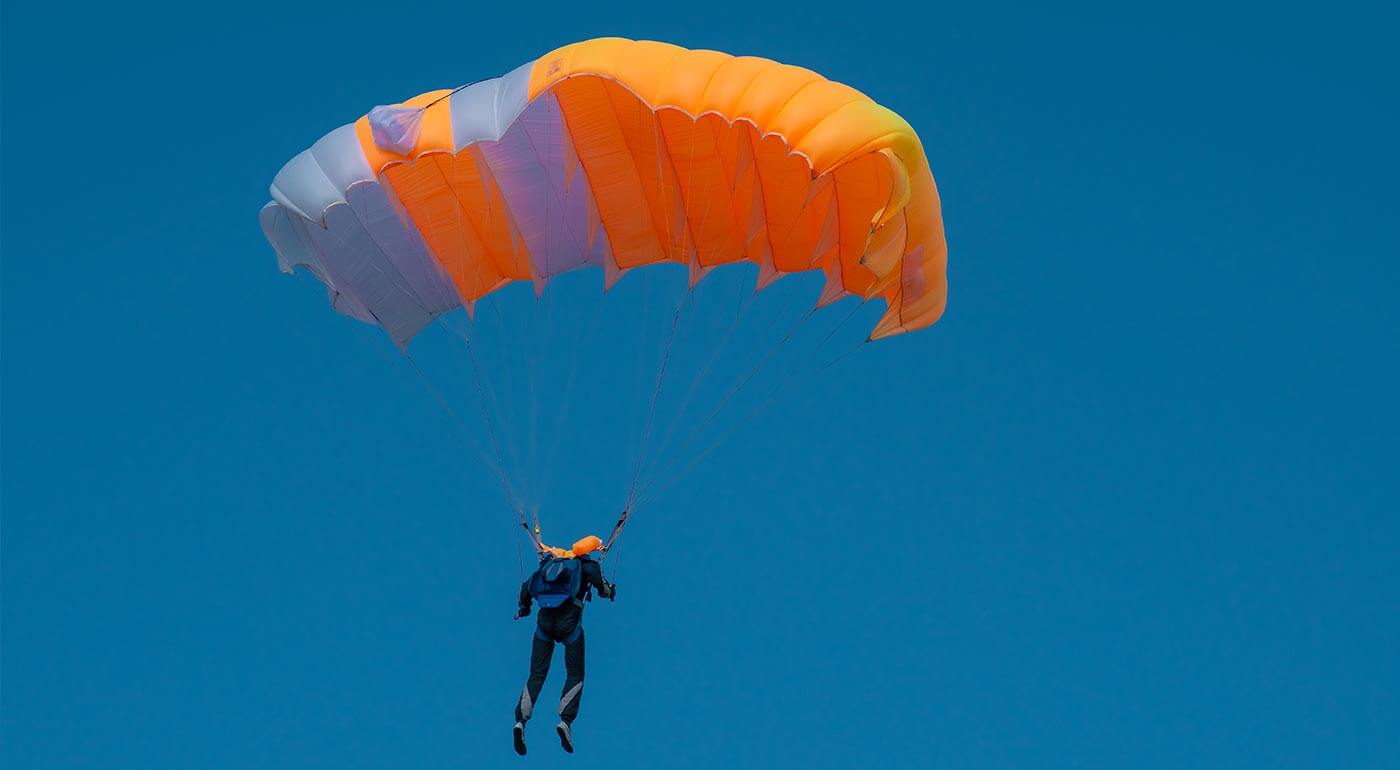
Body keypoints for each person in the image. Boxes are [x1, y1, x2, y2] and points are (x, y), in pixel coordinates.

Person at [513, 535, 616, 755]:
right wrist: (609, 591)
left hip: (544, 625)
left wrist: (524, 608)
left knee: (536, 674)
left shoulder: (549, 566)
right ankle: (565, 721)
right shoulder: (586, 565)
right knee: (575, 674)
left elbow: (525, 589)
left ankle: (520, 721)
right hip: (570, 626)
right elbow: (601, 587)